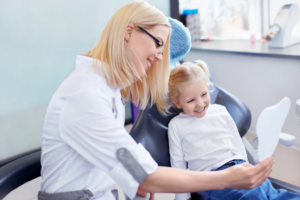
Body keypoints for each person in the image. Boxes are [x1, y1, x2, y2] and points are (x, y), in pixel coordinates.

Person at [39, 1, 274, 200]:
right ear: (129, 32)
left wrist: (136, 182)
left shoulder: (109, 88)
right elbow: (145, 172)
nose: (161, 57)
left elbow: (119, 158)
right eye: (158, 43)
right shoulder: (85, 95)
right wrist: (224, 179)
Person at [168, 61, 300, 200]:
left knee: (281, 195)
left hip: (240, 166)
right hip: (213, 179)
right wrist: (183, 197)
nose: (200, 104)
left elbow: (237, 143)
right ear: (177, 102)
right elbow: (178, 165)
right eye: (191, 101)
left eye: (204, 94)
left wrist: (247, 168)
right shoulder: (176, 125)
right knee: (253, 196)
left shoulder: (220, 110)